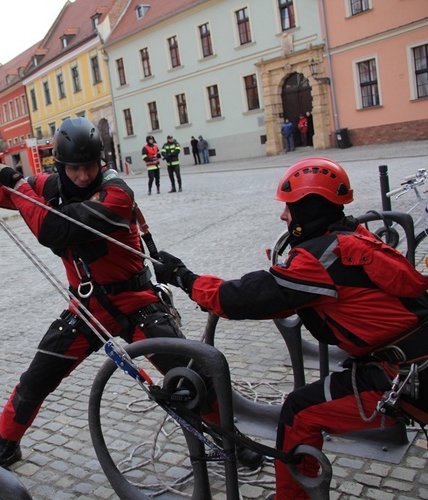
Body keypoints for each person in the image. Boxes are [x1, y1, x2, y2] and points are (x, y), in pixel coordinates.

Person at [0, 116, 263, 470]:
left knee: (188, 373)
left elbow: (53, 229)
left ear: (99, 163)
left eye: (89, 167)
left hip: (136, 301)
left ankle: (232, 439)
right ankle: (6, 442)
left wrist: (17, 181)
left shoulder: (117, 194)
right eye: (74, 169)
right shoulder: (50, 186)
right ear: (61, 166)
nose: (82, 176)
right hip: (87, 307)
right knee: (36, 378)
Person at [153, 157, 428, 499]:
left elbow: (244, 298)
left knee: (298, 412)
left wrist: (183, 277)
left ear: (308, 209)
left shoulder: (322, 259)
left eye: (289, 208)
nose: (283, 216)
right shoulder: (353, 236)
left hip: (403, 376)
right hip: (411, 364)